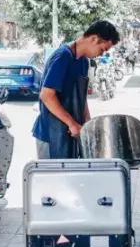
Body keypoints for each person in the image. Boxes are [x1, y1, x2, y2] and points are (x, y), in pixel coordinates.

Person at [33, 20, 120, 159]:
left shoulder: (84, 62)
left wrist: (87, 123)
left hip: (71, 132)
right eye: (102, 49)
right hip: (51, 134)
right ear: (94, 39)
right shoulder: (63, 57)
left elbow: (81, 97)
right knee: (54, 179)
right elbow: (47, 95)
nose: (102, 54)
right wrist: (72, 124)